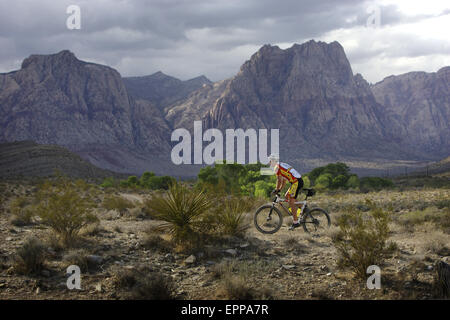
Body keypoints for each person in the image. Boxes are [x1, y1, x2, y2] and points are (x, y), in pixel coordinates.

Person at [268, 154, 304, 230]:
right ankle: (302, 208)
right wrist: (279, 190)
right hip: (296, 181)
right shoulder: (281, 165)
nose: (269, 163)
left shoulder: (277, 167)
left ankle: (295, 222)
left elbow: (279, 180)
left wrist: (276, 189)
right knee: (287, 196)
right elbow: (283, 182)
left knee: (291, 201)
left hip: (296, 181)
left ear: (273, 161)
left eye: (270, 161)